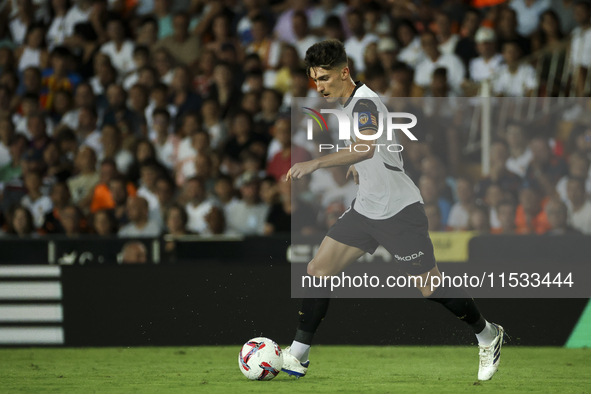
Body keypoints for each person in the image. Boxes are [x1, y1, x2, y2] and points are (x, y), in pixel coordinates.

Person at [282, 39, 506, 381]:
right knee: (318, 269)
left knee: (430, 288)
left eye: (324, 77)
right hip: (365, 209)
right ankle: (298, 355)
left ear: (344, 72)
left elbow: (367, 147)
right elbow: (378, 148)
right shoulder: (348, 103)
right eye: (315, 79)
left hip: (399, 211)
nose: (319, 86)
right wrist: (359, 167)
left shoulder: (364, 103)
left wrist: (317, 163)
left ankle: (488, 334)